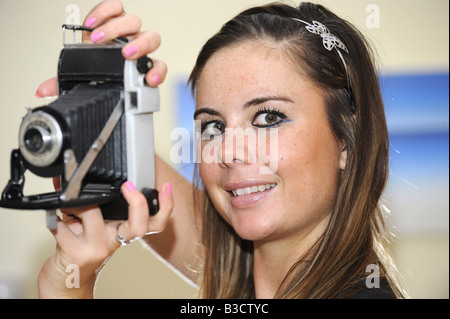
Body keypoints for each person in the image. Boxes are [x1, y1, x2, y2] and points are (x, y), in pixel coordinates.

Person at [36, 0, 407, 299]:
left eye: (269, 118)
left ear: (346, 140)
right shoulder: (243, 267)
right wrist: (102, 95)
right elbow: (137, 174)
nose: (228, 152)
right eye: (213, 126)